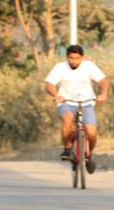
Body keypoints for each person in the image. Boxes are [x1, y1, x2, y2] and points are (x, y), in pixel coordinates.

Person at [44, 45, 109, 174]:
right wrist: (56, 95)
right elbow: (49, 84)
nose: (74, 61)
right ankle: (68, 149)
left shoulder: (89, 66)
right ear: (67, 57)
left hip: (86, 102)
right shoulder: (60, 68)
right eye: (71, 58)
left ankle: (88, 156)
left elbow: (104, 81)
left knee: (91, 132)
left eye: (77, 58)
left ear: (82, 58)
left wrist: (104, 94)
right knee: (67, 118)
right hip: (66, 102)